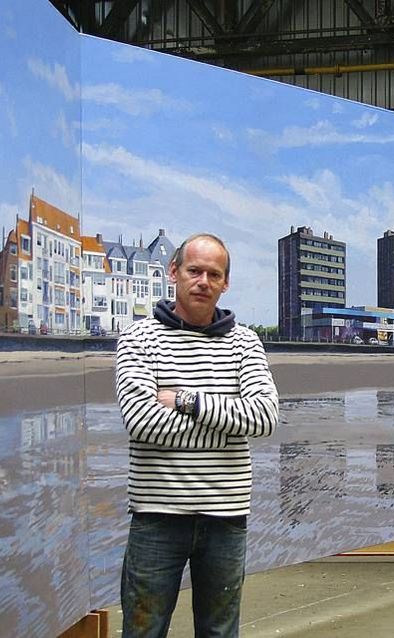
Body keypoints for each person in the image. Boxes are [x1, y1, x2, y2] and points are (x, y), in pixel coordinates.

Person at [114, 233, 279, 637]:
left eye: (214, 274)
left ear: (225, 283)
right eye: (194, 271)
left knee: (219, 632)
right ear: (174, 273)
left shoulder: (245, 344)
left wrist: (186, 401)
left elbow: (263, 418)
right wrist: (226, 425)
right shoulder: (139, 339)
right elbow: (141, 422)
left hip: (225, 518)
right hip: (157, 517)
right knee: (142, 631)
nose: (203, 281)